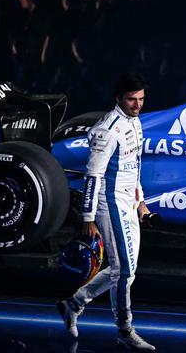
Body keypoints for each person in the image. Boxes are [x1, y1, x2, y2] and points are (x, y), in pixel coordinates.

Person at [57, 73, 155, 351]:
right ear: (118, 98)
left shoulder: (135, 123)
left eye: (141, 99)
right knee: (124, 271)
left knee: (125, 269)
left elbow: (133, 168)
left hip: (128, 201)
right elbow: (93, 175)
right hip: (108, 202)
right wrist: (88, 218)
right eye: (131, 99)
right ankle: (124, 330)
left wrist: (141, 203)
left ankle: (73, 304)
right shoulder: (107, 130)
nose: (137, 105)